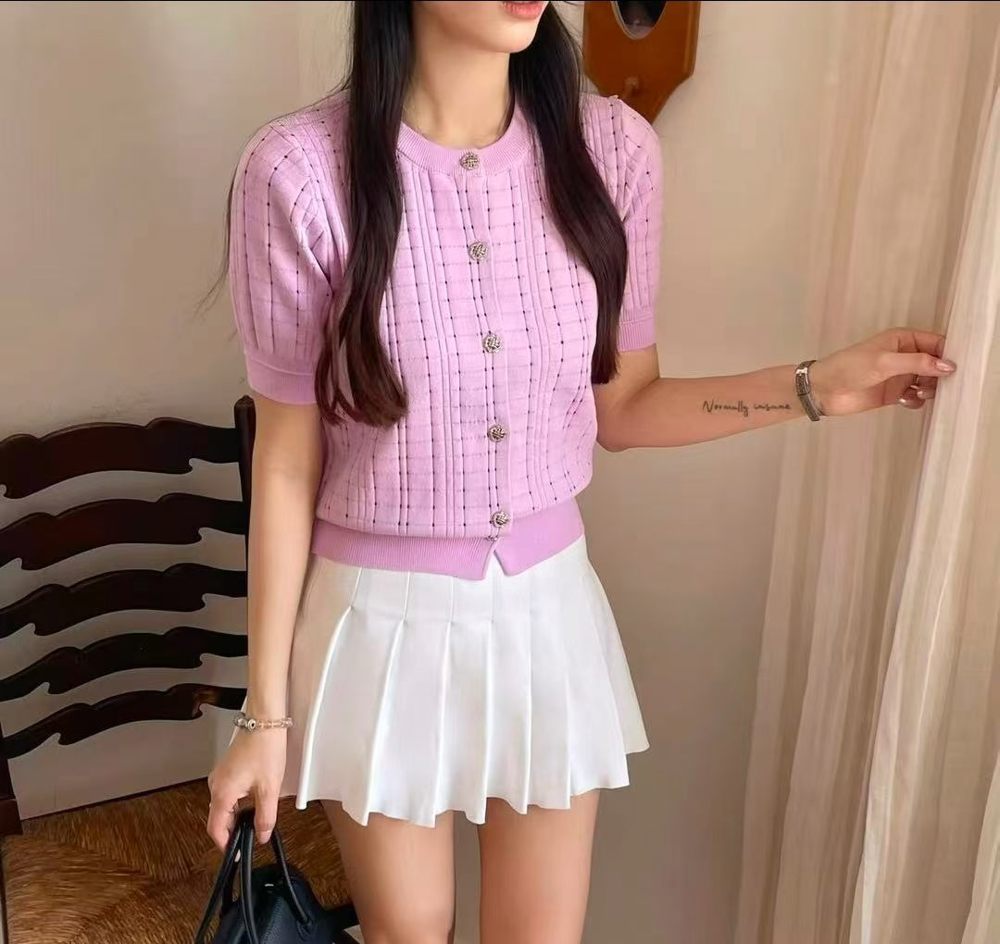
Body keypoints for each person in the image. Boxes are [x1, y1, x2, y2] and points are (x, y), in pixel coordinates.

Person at [205, 2, 955, 941]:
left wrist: (813, 389)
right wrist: (264, 714)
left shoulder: (613, 153)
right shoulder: (299, 172)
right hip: (377, 626)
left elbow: (625, 408)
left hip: (547, 615)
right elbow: (286, 461)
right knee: (409, 936)